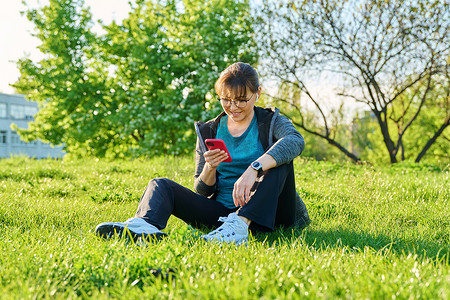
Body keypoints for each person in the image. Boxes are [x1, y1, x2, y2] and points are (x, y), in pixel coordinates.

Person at [95, 62, 310, 245]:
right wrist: (210, 167)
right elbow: (201, 190)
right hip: (222, 217)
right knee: (160, 184)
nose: (233, 106)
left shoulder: (270, 120)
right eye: (226, 99)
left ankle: (241, 225)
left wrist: (254, 168)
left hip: (269, 215)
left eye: (242, 100)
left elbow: (295, 141)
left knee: (279, 159)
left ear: (257, 93)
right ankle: (145, 227)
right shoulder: (209, 129)